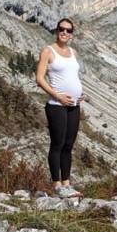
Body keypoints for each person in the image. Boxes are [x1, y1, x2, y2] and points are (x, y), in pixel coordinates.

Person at [35, 18, 87, 198]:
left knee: (68, 145)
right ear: (57, 31)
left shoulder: (73, 52)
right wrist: (58, 96)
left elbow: (72, 76)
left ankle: (67, 184)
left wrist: (80, 93)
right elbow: (39, 79)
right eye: (62, 29)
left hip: (74, 104)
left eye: (69, 30)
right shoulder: (48, 51)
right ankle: (57, 185)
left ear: (72, 34)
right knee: (57, 144)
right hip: (57, 105)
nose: (65, 32)